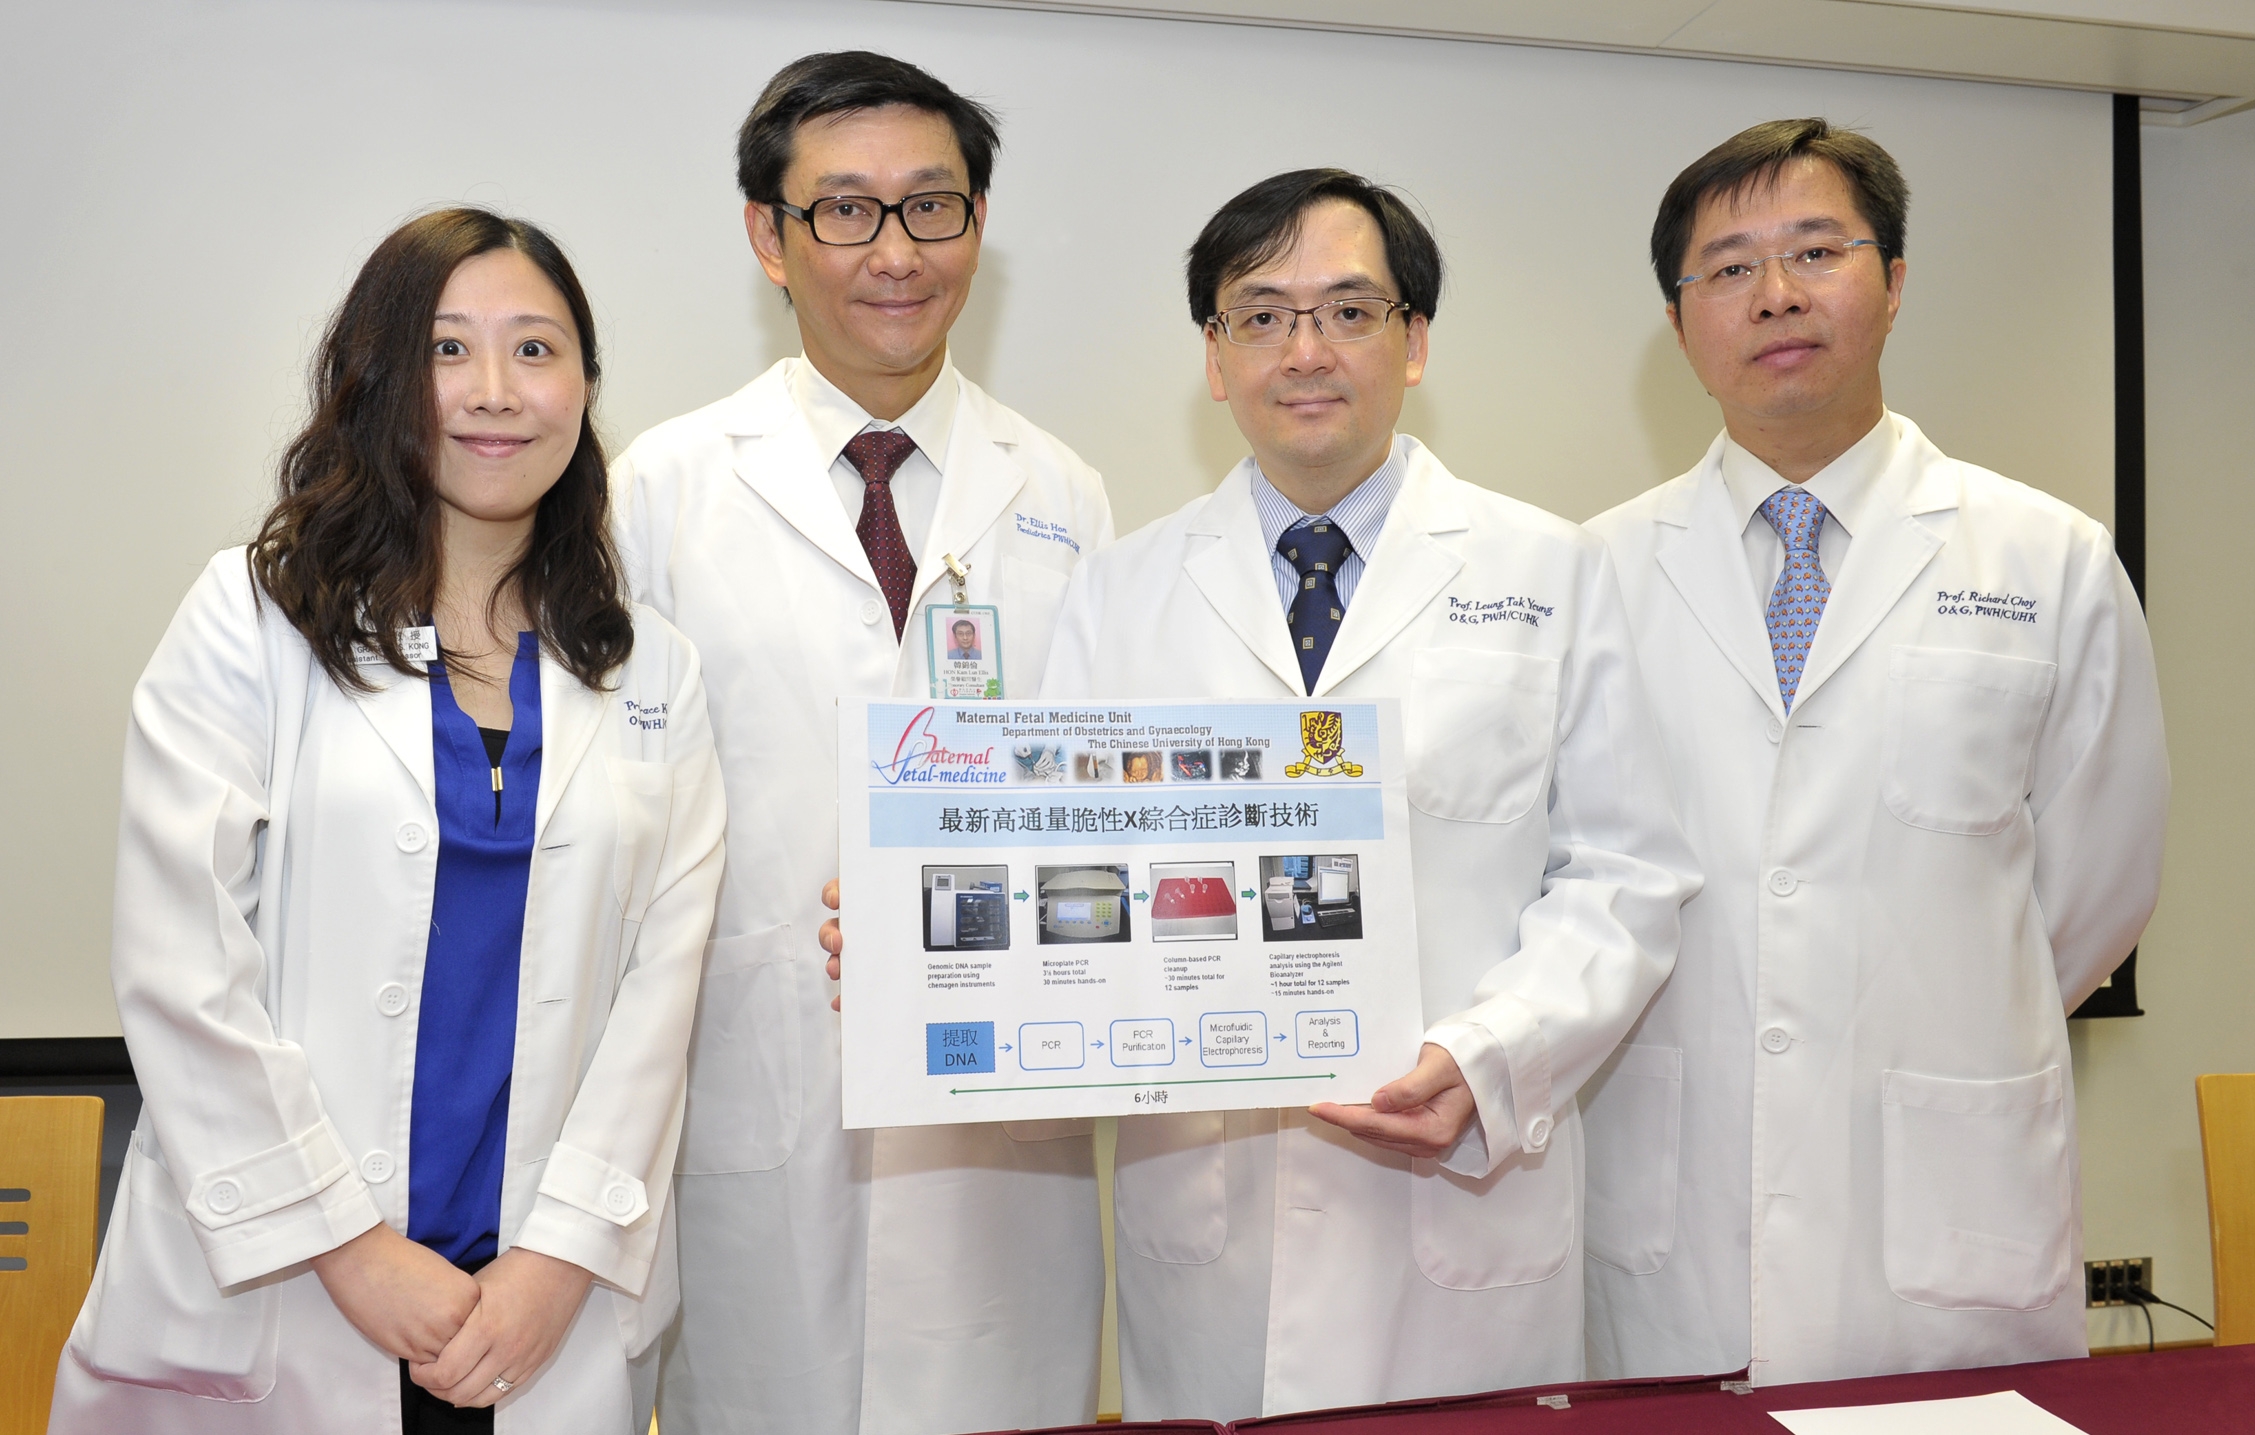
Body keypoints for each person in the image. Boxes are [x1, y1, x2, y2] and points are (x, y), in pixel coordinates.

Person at [48, 208, 725, 1434]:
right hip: (288, 1292)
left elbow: (658, 998)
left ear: (583, 387)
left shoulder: (650, 671)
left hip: (534, 1314)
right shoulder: (252, 620)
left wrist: (560, 1257)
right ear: (375, 379)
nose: (494, 392)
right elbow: (180, 962)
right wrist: (347, 1246)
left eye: (536, 349)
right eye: (446, 349)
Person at [1038, 169, 1700, 1421]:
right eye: (1261, 313)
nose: (1305, 349)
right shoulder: (1116, 593)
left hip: (1460, 1187)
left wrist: (1487, 1056)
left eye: (1349, 309)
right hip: (1213, 1219)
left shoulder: (1546, 568)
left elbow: (1624, 876)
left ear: (1415, 342)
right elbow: (1066, 879)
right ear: (1212, 354)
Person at [1581, 119, 2168, 1387]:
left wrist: (1938, 996)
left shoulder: (2046, 559)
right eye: (1726, 268)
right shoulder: (1594, 573)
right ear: (1678, 322)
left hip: (1947, 1213)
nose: (1775, 293)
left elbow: (2097, 884)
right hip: (1673, 1220)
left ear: (1892, 282)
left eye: (1815, 249)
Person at [610, 51, 1113, 1435]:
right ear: (767, 237)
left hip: (997, 1129)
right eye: (842, 210)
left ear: (977, 223)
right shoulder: (661, 484)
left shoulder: (1062, 490)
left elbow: (1102, 806)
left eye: (929, 206)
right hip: (747, 1094)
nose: (893, 251)